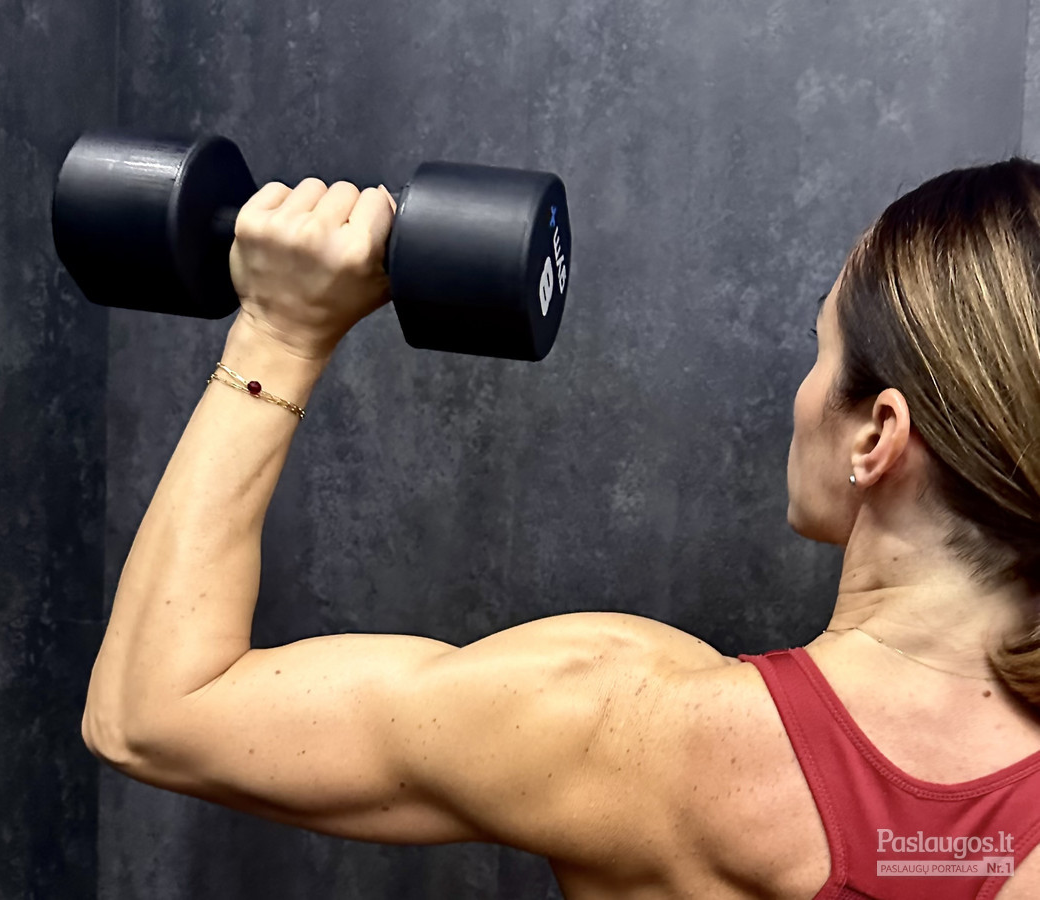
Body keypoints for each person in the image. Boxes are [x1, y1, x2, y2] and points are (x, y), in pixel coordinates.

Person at [80, 161, 1040, 899]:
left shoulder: (626, 727)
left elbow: (154, 714)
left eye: (817, 350)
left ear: (877, 435)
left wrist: (280, 333)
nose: (796, 397)